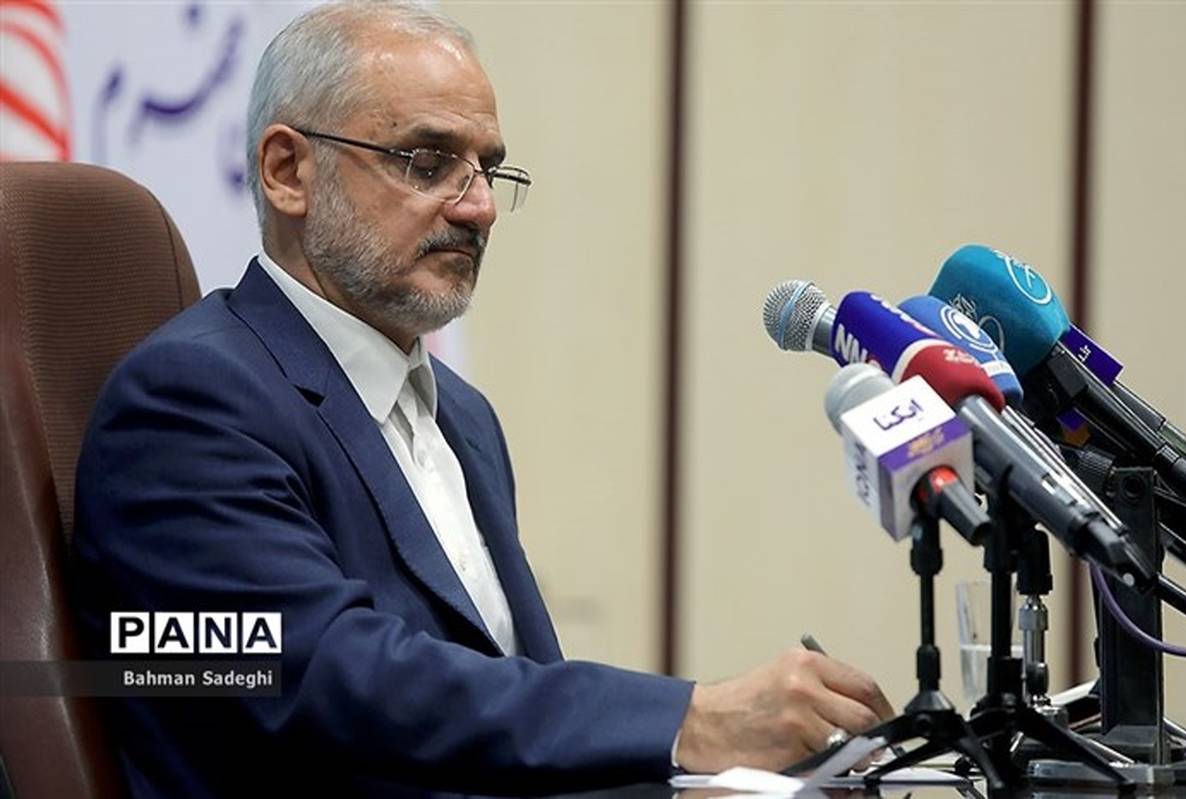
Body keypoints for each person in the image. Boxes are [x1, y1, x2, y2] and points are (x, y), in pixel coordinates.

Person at [71, 2, 894, 796]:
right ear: (289, 171)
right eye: (427, 162)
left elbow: (502, 729)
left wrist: (697, 785)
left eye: (487, 169)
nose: (479, 208)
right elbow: (323, 675)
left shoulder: (464, 417)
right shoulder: (190, 402)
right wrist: (689, 720)